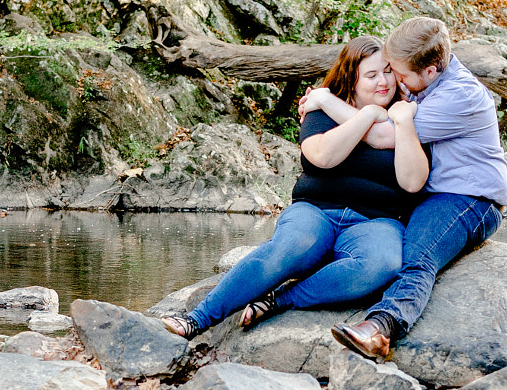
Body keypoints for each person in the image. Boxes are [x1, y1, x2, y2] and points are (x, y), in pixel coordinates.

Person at [163, 36, 428, 340]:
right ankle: (196, 319)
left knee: (383, 264)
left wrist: (388, 116)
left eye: (387, 71)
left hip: (377, 220)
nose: (383, 81)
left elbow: (413, 177)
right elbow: (323, 157)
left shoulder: (408, 114)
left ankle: (282, 298)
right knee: (290, 246)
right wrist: (367, 113)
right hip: (316, 211)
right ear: (351, 80)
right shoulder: (322, 110)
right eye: (371, 75)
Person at [313, 15, 507, 363]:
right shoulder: (422, 80)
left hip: (469, 199)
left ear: (431, 70)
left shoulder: (457, 96)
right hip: (429, 194)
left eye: (399, 75)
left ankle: (380, 328)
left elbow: (378, 136)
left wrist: (326, 101)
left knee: (418, 254)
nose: (395, 82)